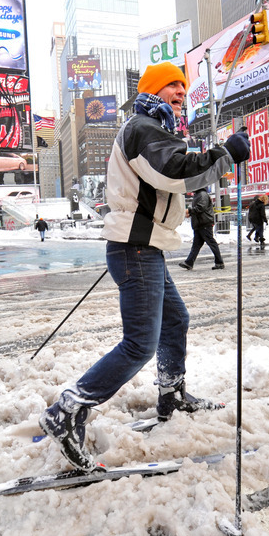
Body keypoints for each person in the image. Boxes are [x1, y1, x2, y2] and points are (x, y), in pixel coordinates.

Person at [38, 61, 249, 471]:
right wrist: (225, 154)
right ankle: (67, 411)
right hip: (135, 249)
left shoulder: (154, 129)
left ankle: (172, 394)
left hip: (143, 246)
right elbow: (173, 172)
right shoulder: (143, 128)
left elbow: (164, 177)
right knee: (139, 344)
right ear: (154, 88)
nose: (180, 91)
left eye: (184, 88)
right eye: (173, 84)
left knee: (176, 321)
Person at [179, 188, 224, 270]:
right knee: (196, 245)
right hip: (200, 223)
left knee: (211, 242)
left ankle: (219, 262)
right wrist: (191, 213)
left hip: (204, 223)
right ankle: (189, 262)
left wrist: (189, 211)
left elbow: (201, 208)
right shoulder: (198, 195)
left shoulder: (202, 194)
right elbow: (199, 208)